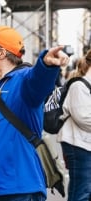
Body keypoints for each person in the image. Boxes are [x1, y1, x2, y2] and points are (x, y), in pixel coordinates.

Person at [0, 25, 69, 201]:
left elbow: (38, 82)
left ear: (2, 53)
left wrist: (46, 64)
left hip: (17, 189)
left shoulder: (24, 80)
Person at [57, 49, 91, 201]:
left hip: (85, 144)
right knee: (81, 193)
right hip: (79, 146)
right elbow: (84, 118)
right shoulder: (79, 85)